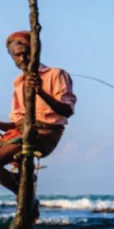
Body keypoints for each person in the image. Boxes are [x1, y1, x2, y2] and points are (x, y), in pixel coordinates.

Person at [0, 31, 76, 194]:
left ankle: (21, 190)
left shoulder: (56, 74)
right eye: (17, 55)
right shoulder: (19, 83)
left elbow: (67, 110)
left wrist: (40, 92)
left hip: (45, 135)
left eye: (26, 53)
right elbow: (18, 123)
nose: (22, 59)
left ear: (35, 52)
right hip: (20, 133)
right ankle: (22, 189)